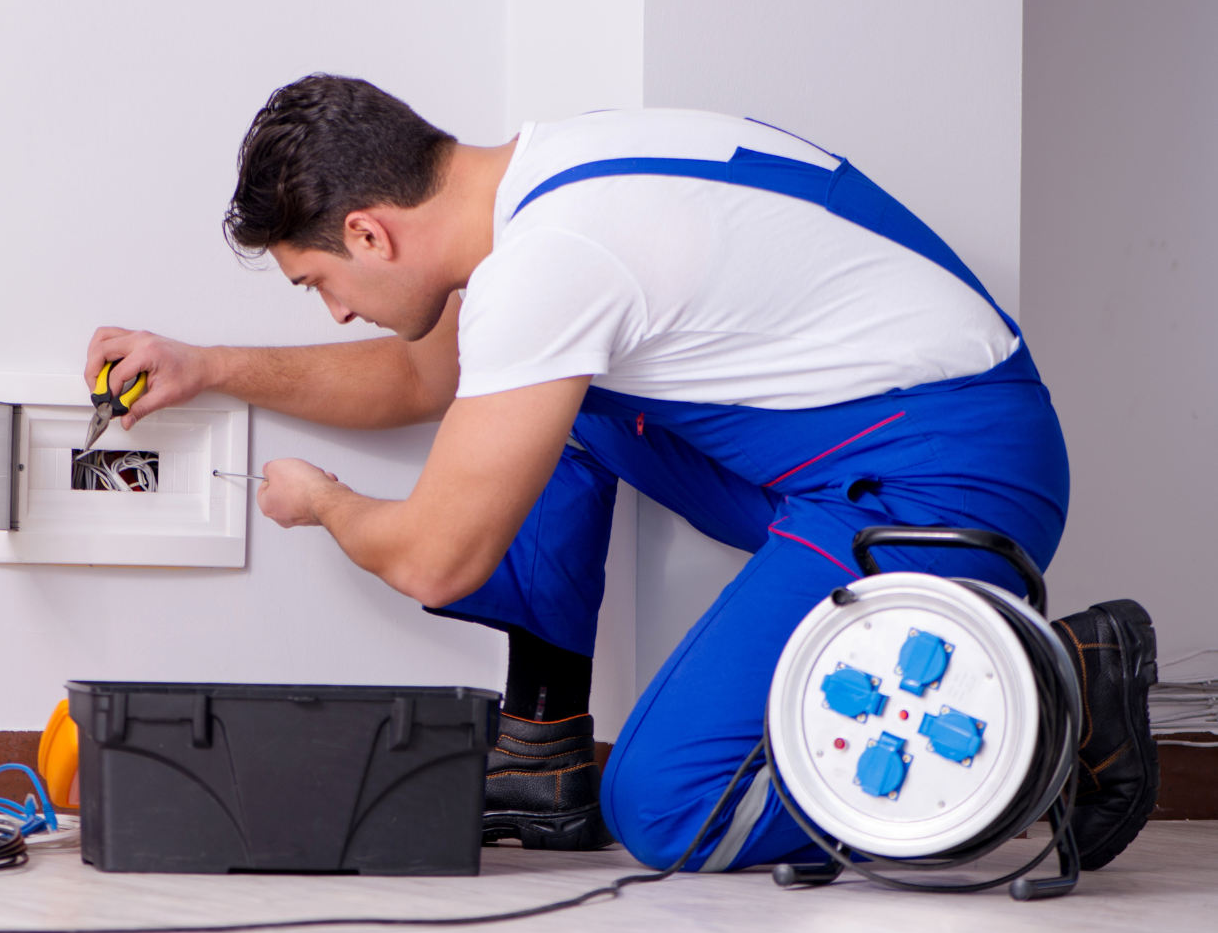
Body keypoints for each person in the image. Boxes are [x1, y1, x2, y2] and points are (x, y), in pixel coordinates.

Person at [84, 74, 1159, 872]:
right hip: (858, 443)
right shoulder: (551, 176)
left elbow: (436, 561)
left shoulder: (552, 264)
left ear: (369, 227)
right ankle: (542, 751)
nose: (334, 308)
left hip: (942, 476)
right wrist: (205, 368)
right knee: (558, 406)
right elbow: (427, 382)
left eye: (321, 280)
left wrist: (324, 505)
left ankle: (1043, 700)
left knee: (674, 810)